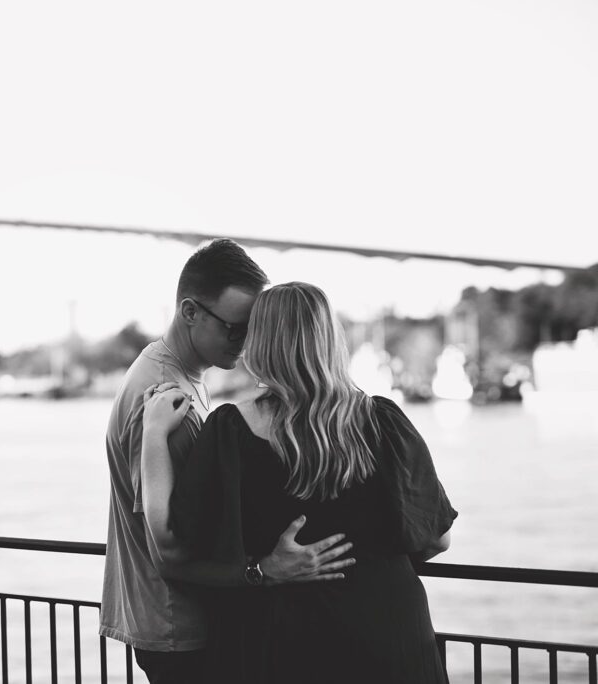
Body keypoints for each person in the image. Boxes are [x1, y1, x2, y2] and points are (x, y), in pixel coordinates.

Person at [143, 281, 457, 684]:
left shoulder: (230, 431)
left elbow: (171, 542)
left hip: (287, 645)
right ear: (330, 340)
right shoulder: (385, 421)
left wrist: (153, 437)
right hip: (392, 640)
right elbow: (436, 539)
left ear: (261, 342)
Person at [100, 242, 356, 684]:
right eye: (235, 329)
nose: (246, 343)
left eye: (252, 330)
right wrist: (267, 570)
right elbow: (172, 545)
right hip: (181, 625)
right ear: (189, 312)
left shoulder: (176, 375)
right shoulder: (163, 396)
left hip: (177, 618)